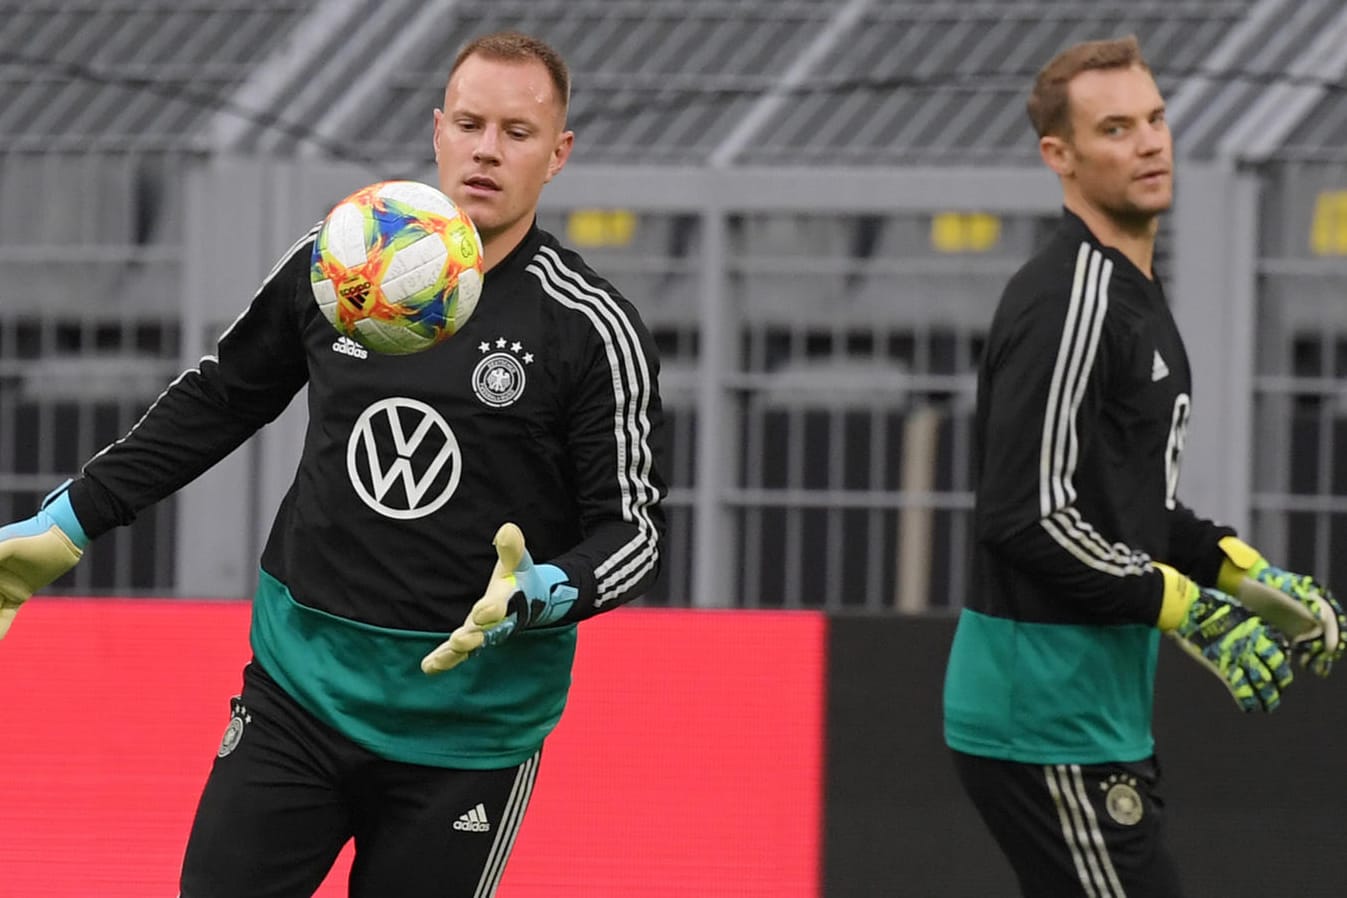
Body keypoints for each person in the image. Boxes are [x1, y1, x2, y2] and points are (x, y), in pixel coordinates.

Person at [0, 30, 666, 898]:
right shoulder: (347, 257)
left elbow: (635, 532)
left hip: (467, 735)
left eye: (517, 132)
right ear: (436, 131)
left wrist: (543, 594)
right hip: (299, 695)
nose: (486, 151)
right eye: (468, 124)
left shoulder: (586, 327)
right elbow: (224, 395)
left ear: (558, 154)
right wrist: (70, 519)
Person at [942, 35, 1344, 898]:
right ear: (1061, 156)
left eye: (1155, 120)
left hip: (1092, 710)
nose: (1150, 143)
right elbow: (1026, 516)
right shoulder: (1069, 300)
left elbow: (1125, 506)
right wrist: (1193, 613)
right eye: (1116, 128)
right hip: (1042, 716)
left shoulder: (1130, 294)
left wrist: (1242, 575)